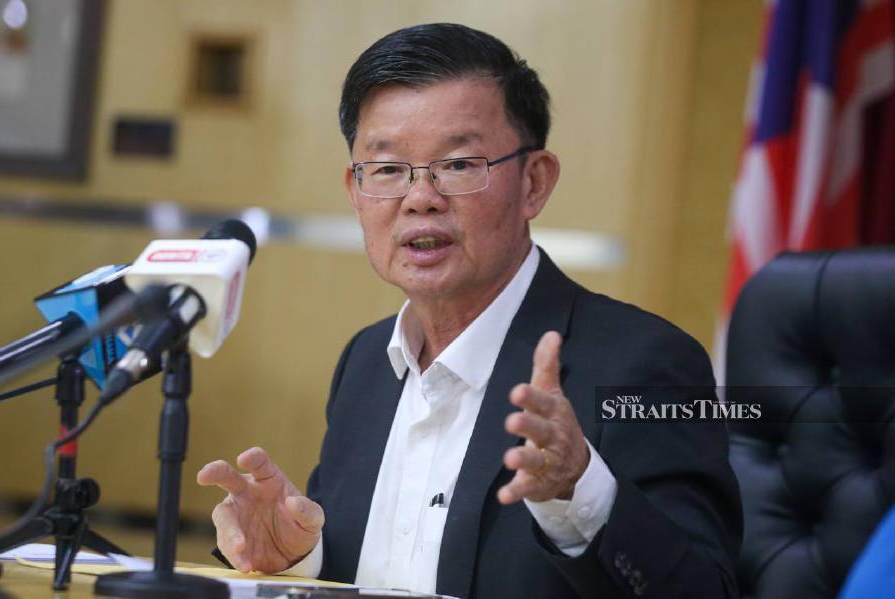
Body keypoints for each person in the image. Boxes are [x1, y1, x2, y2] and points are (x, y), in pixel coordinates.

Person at [197, 23, 742, 598]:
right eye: (386, 170)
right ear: (355, 190)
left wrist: (580, 490)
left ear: (534, 183)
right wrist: (300, 560)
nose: (419, 197)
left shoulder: (644, 362)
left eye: (458, 165)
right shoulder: (364, 361)